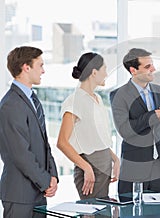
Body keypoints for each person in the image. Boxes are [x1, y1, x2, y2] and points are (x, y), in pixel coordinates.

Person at [110, 48, 160, 195]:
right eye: (147, 67)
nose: (153, 69)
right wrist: (153, 115)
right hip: (134, 169)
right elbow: (125, 130)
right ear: (133, 70)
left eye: (152, 65)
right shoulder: (119, 95)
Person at [0, 46, 58, 217]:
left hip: (38, 193)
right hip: (20, 195)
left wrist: (53, 176)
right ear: (26, 67)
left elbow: (44, 143)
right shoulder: (11, 104)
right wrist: (46, 181)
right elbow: (21, 154)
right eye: (40, 65)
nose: (43, 70)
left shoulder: (32, 99)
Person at [57, 52, 120, 200]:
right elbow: (62, 142)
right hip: (91, 171)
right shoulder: (74, 101)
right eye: (104, 69)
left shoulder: (97, 99)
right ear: (94, 72)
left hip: (103, 168)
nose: (106, 73)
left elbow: (98, 139)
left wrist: (115, 159)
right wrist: (86, 167)